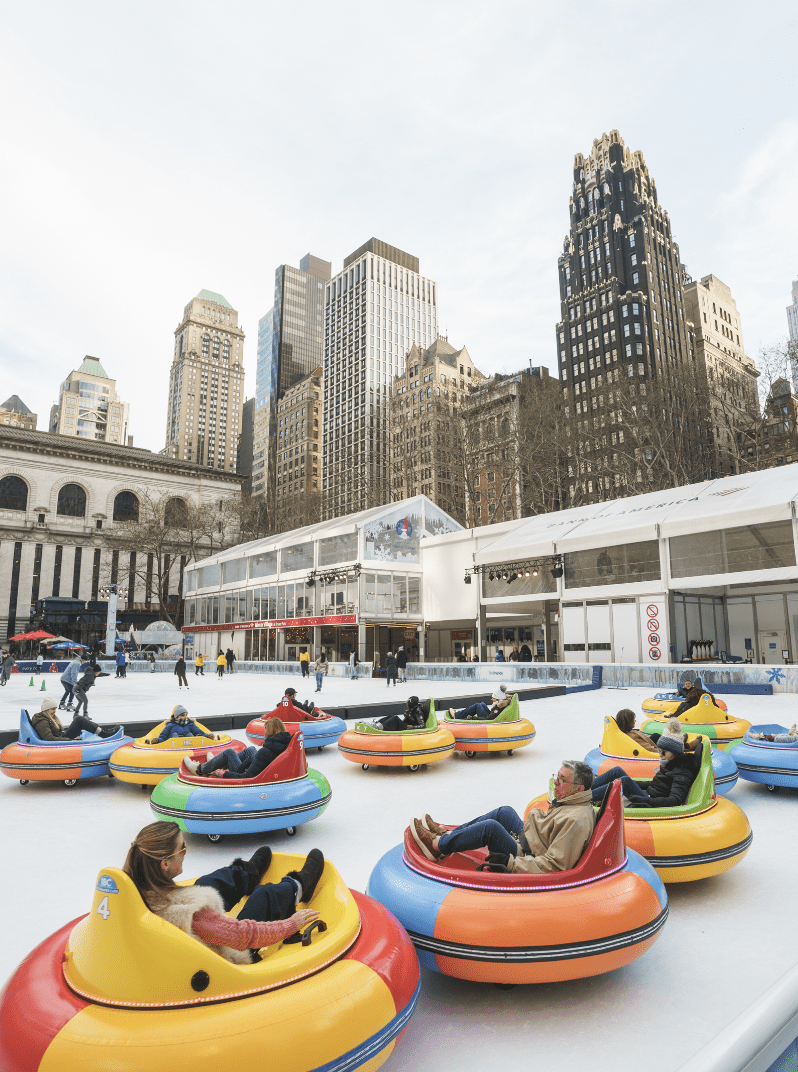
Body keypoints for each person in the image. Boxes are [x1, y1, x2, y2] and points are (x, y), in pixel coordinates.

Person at [123, 821, 324, 964]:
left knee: (206, 884)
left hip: (174, 949)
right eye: (181, 848)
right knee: (264, 896)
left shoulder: (131, 891)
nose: (185, 852)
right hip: (225, 963)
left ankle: (248, 874)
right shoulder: (193, 916)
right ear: (164, 864)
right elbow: (245, 935)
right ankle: (297, 886)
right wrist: (292, 924)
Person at [410, 759, 596, 874]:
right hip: (532, 841)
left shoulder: (576, 821)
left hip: (529, 856)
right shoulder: (572, 801)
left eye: (563, 780)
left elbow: (555, 865)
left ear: (579, 788)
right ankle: (447, 837)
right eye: (557, 776)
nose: (555, 782)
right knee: (504, 812)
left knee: (490, 828)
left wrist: (512, 863)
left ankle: (436, 846)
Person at [589, 719, 698, 807]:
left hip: (651, 801)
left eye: (663, 751)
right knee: (617, 772)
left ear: (675, 751)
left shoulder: (682, 770)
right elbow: (655, 784)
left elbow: (675, 800)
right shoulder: (669, 762)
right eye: (659, 750)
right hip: (649, 795)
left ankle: (585, 798)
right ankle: (586, 789)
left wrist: (645, 800)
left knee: (624, 782)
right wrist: (635, 783)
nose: (660, 754)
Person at [185, 717, 290, 778]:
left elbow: (247, 777)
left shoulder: (265, 752)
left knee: (229, 753)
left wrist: (224, 774)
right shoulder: (284, 744)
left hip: (246, 778)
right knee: (251, 750)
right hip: (263, 771)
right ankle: (214, 764)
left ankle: (200, 769)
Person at [31, 695, 119, 740]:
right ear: (46, 709)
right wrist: (70, 740)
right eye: (52, 709)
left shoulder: (48, 718)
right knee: (79, 719)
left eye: (55, 709)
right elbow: (49, 738)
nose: (55, 711)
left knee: (87, 723)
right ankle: (105, 734)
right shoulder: (41, 721)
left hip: (63, 736)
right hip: (63, 739)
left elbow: (57, 732)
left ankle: (104, 732)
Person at [147, 705, 219, 744]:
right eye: (182, 715)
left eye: (186, 715)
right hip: (174, 745)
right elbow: (163, 736)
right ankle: (176, 738)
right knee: (174, 735)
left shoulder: (190, 724)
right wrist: (158, 740)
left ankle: (192, 739)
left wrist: (207, 736)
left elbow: (198, 732)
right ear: (177, 716)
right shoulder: (171, 725)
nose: (185, 717)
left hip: (188, 745)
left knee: (190, 734)